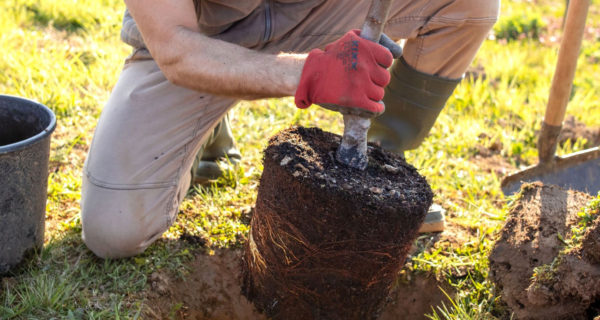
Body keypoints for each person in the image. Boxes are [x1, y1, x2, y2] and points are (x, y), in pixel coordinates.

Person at [81, 0, 499, 259]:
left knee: (470, 3)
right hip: (199, 37)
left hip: (315, 9)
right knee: (115, 229)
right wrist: (309, 73)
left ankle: (375, 175)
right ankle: (206, 119)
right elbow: (174, 47)